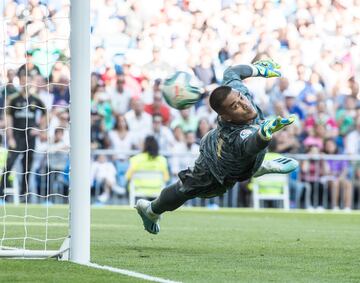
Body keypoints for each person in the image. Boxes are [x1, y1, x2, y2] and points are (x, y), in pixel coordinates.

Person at [135, 59, 299, 234]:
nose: (244, 104)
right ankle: (151, 210)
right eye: (235, 106)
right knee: (185, 189)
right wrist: (263, 135)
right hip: (215, 168)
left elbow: (231, 72)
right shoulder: (235, 135)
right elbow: (250, 144)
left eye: (241, 98)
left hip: (232, 152)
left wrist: (258, 70)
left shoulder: (239, 94)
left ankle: (255, 167)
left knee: (250, 151)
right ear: (226, 116)